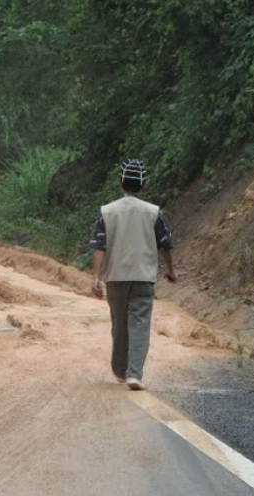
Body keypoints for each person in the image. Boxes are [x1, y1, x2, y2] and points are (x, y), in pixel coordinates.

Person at [90, 159, 177, 390]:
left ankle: (120, 370)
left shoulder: (106, 212)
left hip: (115, 276)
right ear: (144, 184)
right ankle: (134, 374)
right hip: (143, 276)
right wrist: (170, 270)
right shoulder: (153, 213)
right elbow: (165, 244)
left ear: (120, 182)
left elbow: (100, 246)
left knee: (119, 322)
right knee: (139, 323)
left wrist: (96, 277)